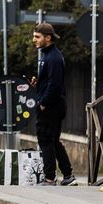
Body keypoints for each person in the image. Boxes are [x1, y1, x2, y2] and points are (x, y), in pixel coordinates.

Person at [31, 24, 75, 186]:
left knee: (45, 140)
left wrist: (43, 102)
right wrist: (38, 83)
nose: (34, 40)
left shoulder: (53, 57)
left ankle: (50, 178)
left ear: (48, 38)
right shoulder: (47, 55)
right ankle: (68, 174)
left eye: (37, 37)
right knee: (53, 141)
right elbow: (49, 81)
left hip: (50, 106)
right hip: (52, 104)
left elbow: (55, 84)